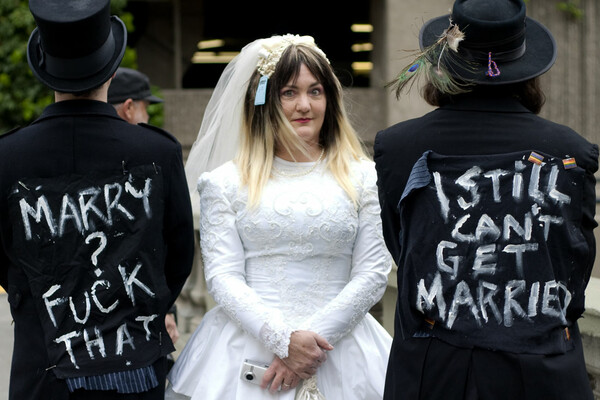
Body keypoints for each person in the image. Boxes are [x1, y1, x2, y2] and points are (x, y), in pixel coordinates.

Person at [373, 0, 597, 399]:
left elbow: (404, 247)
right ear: (527, 69)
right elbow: (574, 261)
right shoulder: (572, 150)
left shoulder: (397, 146)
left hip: (433, 370)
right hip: (544, 370)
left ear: (445, 64)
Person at [166, 34, 393, 399]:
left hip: (343, 348)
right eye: (289, 92)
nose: (304, 105)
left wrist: (308, 346)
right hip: (247, 345)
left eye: (315, 91)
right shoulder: (225, 182)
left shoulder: (365, 177)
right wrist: (284, 341)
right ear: (265, 101)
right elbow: (223, 278)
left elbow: (372, 273)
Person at [0, 1, 195, 399]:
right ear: (111, 69)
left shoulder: (9, 156)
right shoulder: (156, 153)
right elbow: (178, 256)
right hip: (135, 370)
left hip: (42, 371)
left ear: (45, 68)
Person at [108, 66, 180, 352]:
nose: (147, 117)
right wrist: (166, 307)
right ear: (128, 108)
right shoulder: (154, 157)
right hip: (141, 324)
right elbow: (173, 244)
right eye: (145, 108)